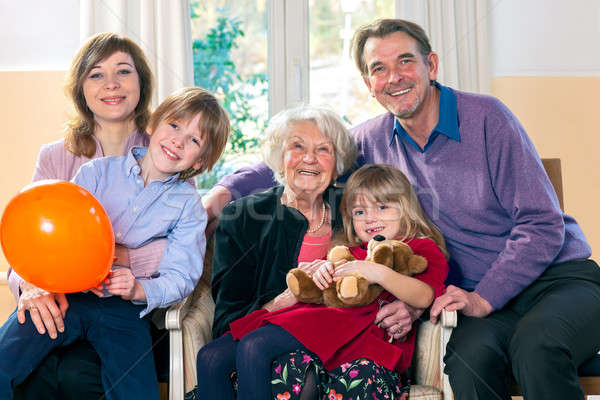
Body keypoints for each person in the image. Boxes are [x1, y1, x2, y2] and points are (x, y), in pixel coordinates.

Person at [202, 18, 600, 400]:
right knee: (467, 363)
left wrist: (483, 298)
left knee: (537, 348)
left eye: (405, 61)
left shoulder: (488, 119)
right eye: (380, 68)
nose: (394, 77)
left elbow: (542, 225)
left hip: (554, 279)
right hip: (473, 300)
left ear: (431, 64)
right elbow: (304, 154)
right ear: (369, 84)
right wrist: (222, 192)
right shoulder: (369, 141)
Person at [0, 87, 230, 400]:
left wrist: (139, 290)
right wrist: (40, 283)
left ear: (201, 160)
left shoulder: (189, 206)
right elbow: (60, 234)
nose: (178, 140)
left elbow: (183, 274)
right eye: (174, 126)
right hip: (68, 297)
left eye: (194, 140)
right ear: (152, 124)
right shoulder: (96, 173)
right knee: (7, 357)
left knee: (137, 392)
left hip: (124, 312)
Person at [204, 163, 448, 400]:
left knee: (255, 346)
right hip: (315, 320)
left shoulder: (420, 247)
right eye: (360, 212)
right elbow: (326, 283)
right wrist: (321, 271)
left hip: (352, 335)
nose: (370, 218)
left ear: (405, 208)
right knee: (211, 356)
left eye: (382, 207)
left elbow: (424, 295)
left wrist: (377, 272)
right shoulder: (352, 250)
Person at [7, 32, 163, 400]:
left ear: (141, 82)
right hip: (60, 300)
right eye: (96, 74)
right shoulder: (54, 157)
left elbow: (177, 246)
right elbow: (26, 240)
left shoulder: (165, 152)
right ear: (81, 88)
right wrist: (29, 286)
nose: (111, 84)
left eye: (123, 71)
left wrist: (113, 261)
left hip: (127, 306)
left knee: (81, 376)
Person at [193, 105, 357, 399]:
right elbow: (227, 318)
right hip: (271, 326)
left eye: (323, 150)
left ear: (337, 165)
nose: (310, 158)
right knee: (211, 357)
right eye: (298, 146)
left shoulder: (354, 208)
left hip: (338, 327)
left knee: (293, 368)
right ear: (280, 160)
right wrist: (283, 300)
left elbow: (396, 251)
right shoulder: (242, 217)